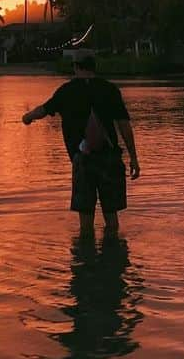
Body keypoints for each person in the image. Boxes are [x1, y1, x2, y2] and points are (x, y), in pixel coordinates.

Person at [22, 54, 140, 234]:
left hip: (82, 160)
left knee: (85, 219)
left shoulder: (66, 91)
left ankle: (86, 257)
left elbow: (43, 110)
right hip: (109, 158)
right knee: (112, 217)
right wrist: (133, 158)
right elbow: (124, 126)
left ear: (76, 67)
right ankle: (113, 254)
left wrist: (28, 117)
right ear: (94, 67)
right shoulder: (110, 89)